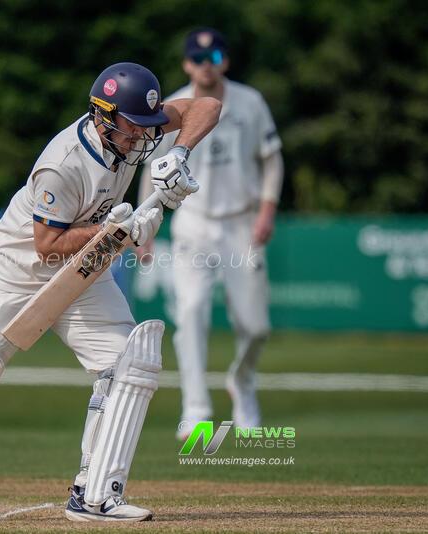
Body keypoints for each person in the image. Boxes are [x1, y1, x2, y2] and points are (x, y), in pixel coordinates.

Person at [0, 62, 221, 522]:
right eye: (135, 127)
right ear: (104, 116)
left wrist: (181, 152)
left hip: (87, 268)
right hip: (19, 269)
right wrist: (122, 231)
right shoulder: (64, 163)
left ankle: (95, 497)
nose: (144, 138)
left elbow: (207, 105)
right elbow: (47, 245)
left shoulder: (133, 129)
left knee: (130, 363)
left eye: (150, 128)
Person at [138, 28, 284, 437]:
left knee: (255, 326)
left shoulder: (250, 102)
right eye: (198, 58)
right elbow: (154, 171)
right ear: (187, 63)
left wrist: (267, 210)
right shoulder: (174, 107)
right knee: (190, 311)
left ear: (225, 60)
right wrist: (146, 229)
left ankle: (242, 383)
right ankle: (196, 408)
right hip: (194, 222)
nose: (206, 64)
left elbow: (272, 160)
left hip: (241, 222)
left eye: (214, 55)